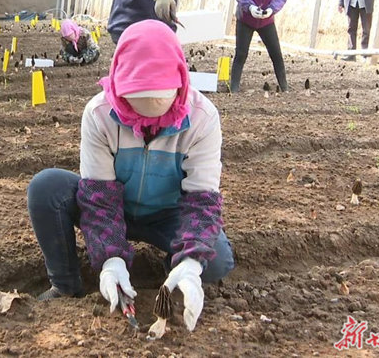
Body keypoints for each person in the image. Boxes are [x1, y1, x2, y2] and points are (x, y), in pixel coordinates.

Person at [27, 19, 234, 332]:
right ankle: (66, 285)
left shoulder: (202, 118)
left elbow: (202, 200)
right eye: (135, 109)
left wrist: (191, 263)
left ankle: (173, 276)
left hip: (168, 213)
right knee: (47, 188)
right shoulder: (99, 114)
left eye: (160, 109)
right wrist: (110, 260)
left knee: (215, 259)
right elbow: (98, 198)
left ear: (179, 83)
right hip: (116, 205)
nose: (148, 118)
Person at [230, 0, 289, 93]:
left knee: (276, 53)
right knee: (241, 53)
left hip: (266, 21)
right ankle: (234, 87)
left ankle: (284, 87)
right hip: (246, 19)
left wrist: (271, 10)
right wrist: (250, 7)